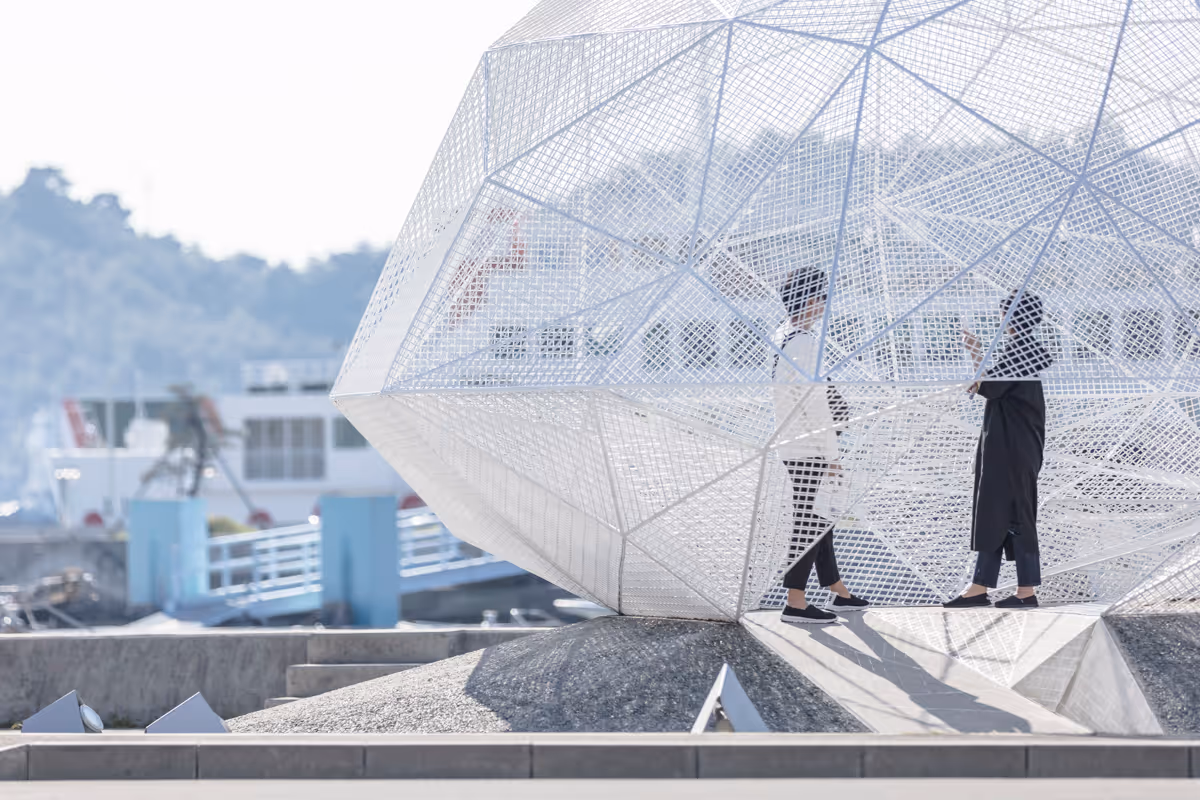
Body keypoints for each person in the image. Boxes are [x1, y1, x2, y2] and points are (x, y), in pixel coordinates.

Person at [945, 289, 1053, 610]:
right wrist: (979, 362)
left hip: (1010, 448)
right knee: (996, 512)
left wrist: (976, 353)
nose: (1000, 319)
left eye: (1003, 313)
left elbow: (988, 386)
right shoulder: (1022, 350)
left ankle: (1025, 591)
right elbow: (989, 385)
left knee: (1014, 513)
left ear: (1011, 317)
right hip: (1013, 447)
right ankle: (980, 587)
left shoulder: (1021, 351)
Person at [773, 267, 869, 624]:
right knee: (810, 524)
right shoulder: (803, 343)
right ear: (811, 300)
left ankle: (837, 590)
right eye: (823, 297)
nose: (826, 304)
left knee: (820, 519)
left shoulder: (784, 335)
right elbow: (813, 406)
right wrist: (832, 456)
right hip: (809, 448)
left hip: (795, 444)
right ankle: (795, 602)